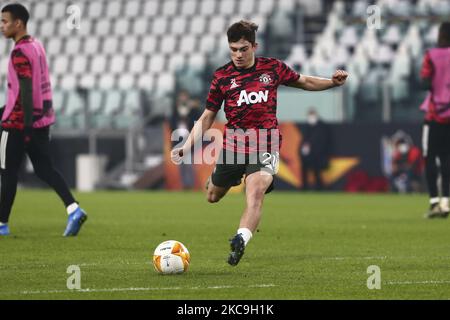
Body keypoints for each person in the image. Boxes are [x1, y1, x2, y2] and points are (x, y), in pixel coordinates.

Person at [171, 20, 347, 266]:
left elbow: (304, 81)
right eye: (233, 49)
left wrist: (331, 82)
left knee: (255, 193)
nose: (238, 54)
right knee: (212, 196)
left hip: (266, 142)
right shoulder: (222, 76)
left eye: (243, 49)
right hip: (234, 146)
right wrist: (186, 146)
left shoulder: (272, 68)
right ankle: (224, 178)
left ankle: (241, 238)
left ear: (255, 46)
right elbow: (208, 115)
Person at [0, 4, 87, 236]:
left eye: (5, 21)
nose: (2, 26)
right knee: (44, 168)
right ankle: (73, 208)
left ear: (18, 23)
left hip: (19, 123)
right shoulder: (36, 46)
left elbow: (26, 91)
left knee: (8, 172)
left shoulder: (19, 52)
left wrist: (24, 126)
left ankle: (2, 225)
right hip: (41, 119)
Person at [420, 22, 450, 218]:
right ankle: (446, 202)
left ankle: (434, 202)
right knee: (447, 158)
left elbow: (424, 81)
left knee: (430, 157)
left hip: (434, 114)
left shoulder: (431, 55)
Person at [299, 108, 331, 191]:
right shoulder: (306, 126)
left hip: (318, 154)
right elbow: (304, 140)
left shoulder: (322, 126)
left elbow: (323, 141)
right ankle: (304, 188)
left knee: (317, 172)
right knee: (304, 171)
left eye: (312, 115)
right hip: (307, 155)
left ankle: (319, 188)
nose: (311, 117)